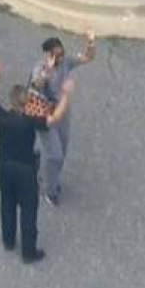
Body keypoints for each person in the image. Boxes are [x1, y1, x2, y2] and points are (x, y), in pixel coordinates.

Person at [0, 58, 73, 264]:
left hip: (3, 166)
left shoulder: (2, 116)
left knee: (6, 202)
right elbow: (55, 118)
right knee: (28, 209)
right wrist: (65, 95)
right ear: (27, 104)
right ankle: (28, 251)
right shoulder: (31, 122)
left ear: (11, 101)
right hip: (25, 170)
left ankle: (8, 240)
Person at [29, 31, 96, 205]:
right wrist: (47, 71)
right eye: (56, 55)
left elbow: (88, 58)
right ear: (47, 54)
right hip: (45, 114)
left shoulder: (66, 62)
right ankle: (49, 190)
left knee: (62, 149)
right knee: (55, 155)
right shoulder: (40, 69)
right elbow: (36, 84)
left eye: (61, 53)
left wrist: (90, 43)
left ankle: (44, 169)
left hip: (63, 111)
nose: (60, 58)